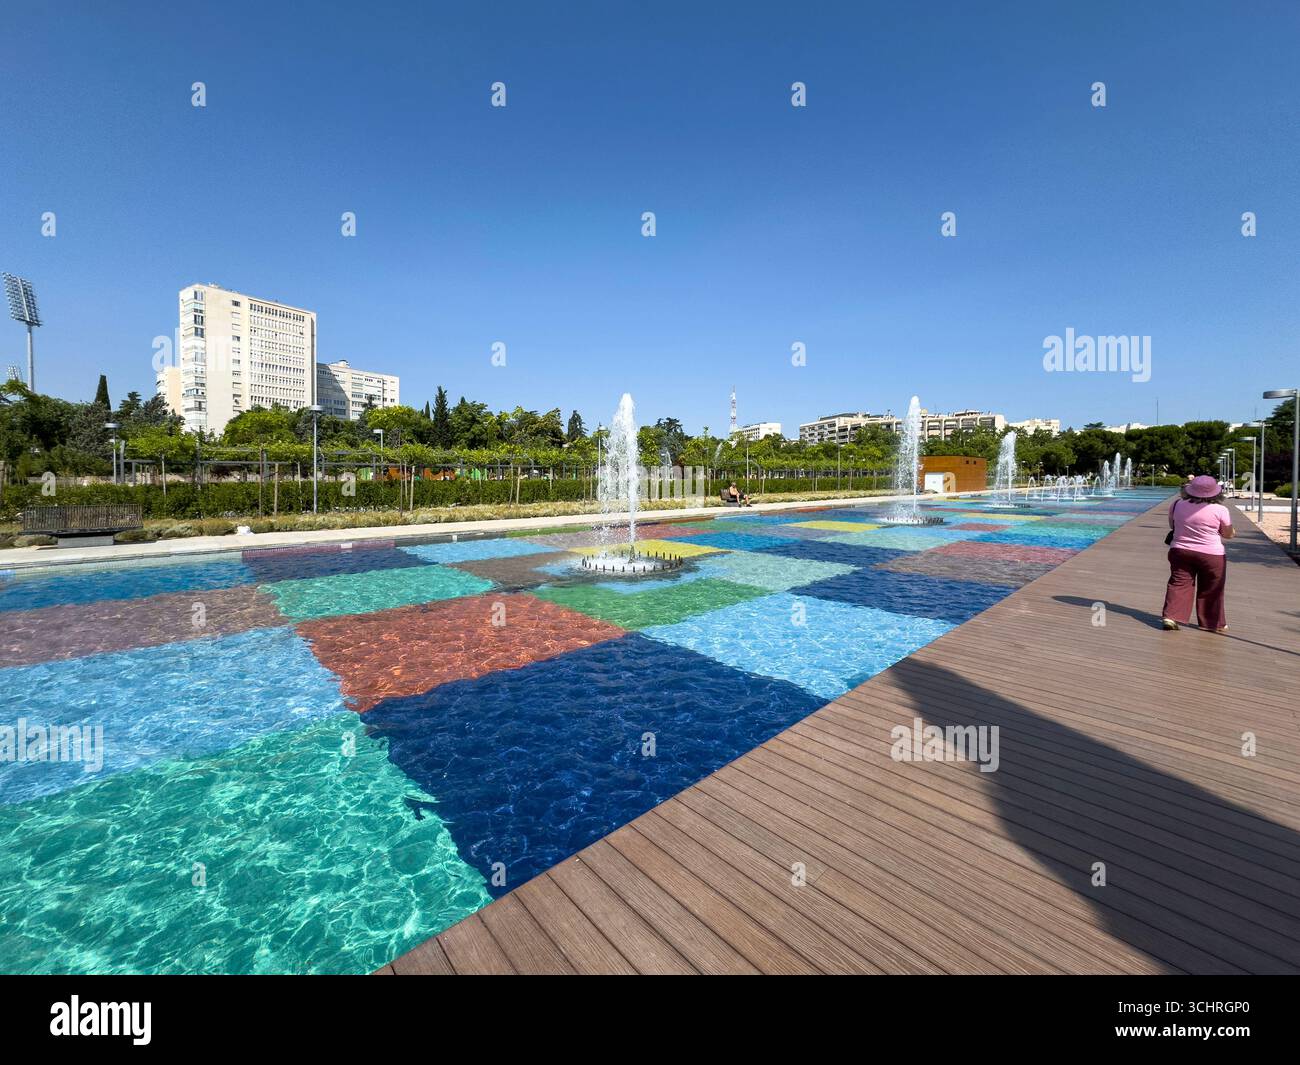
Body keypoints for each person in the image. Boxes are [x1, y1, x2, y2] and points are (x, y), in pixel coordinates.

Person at [1161, 474, 1234, 632]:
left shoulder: (1177, 504)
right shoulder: (1221, 510)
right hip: (1211, 554)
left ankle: (1171, 616)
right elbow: (1228, 534)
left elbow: (1172, 525)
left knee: (1179, 583)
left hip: (1180, 550)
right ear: (1217, 493)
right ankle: (1212, 623)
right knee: (1212, 587)